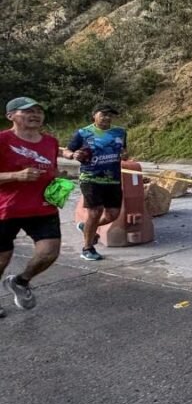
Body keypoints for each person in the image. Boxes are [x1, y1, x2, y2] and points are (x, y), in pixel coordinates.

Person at [0, 97, 74, 317]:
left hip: (43, 207)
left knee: (49, 253)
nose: (35, 115)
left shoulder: (50, 142)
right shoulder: (2, 140)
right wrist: (16, 176)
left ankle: (21, 281)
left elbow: (50, 168)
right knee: (2, 258)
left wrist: (59, 177)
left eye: (39, 111)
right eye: (27, 111)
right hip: (6, 208)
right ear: (10, 116)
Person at [67, 103, 127, 261]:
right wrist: (73, 155)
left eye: (110, 115)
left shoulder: (120, 132)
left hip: (113, 179)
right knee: (95, 212)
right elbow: (67, 150)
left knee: (113, 215)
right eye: (103, 114)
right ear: (94, 115)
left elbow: (123, 150)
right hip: (90, 177)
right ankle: (87, 248)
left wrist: (125, 154)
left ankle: (86, 227)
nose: (107, 117)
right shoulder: (83, 133)